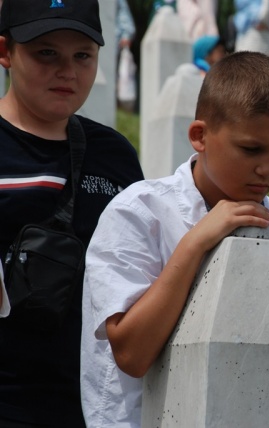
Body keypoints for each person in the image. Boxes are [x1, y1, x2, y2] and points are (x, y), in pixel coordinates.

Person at [80, 51, 269, 428]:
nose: (267, 168)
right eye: (251, 149)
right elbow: (131, 354)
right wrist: (195, 243)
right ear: (200, 136)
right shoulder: (139, 213)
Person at [0, 0, 144, 426]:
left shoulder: (115, 156)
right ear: (5, 51)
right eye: (47, 52)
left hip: (96, 407)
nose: (68, 71)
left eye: (83, 55)